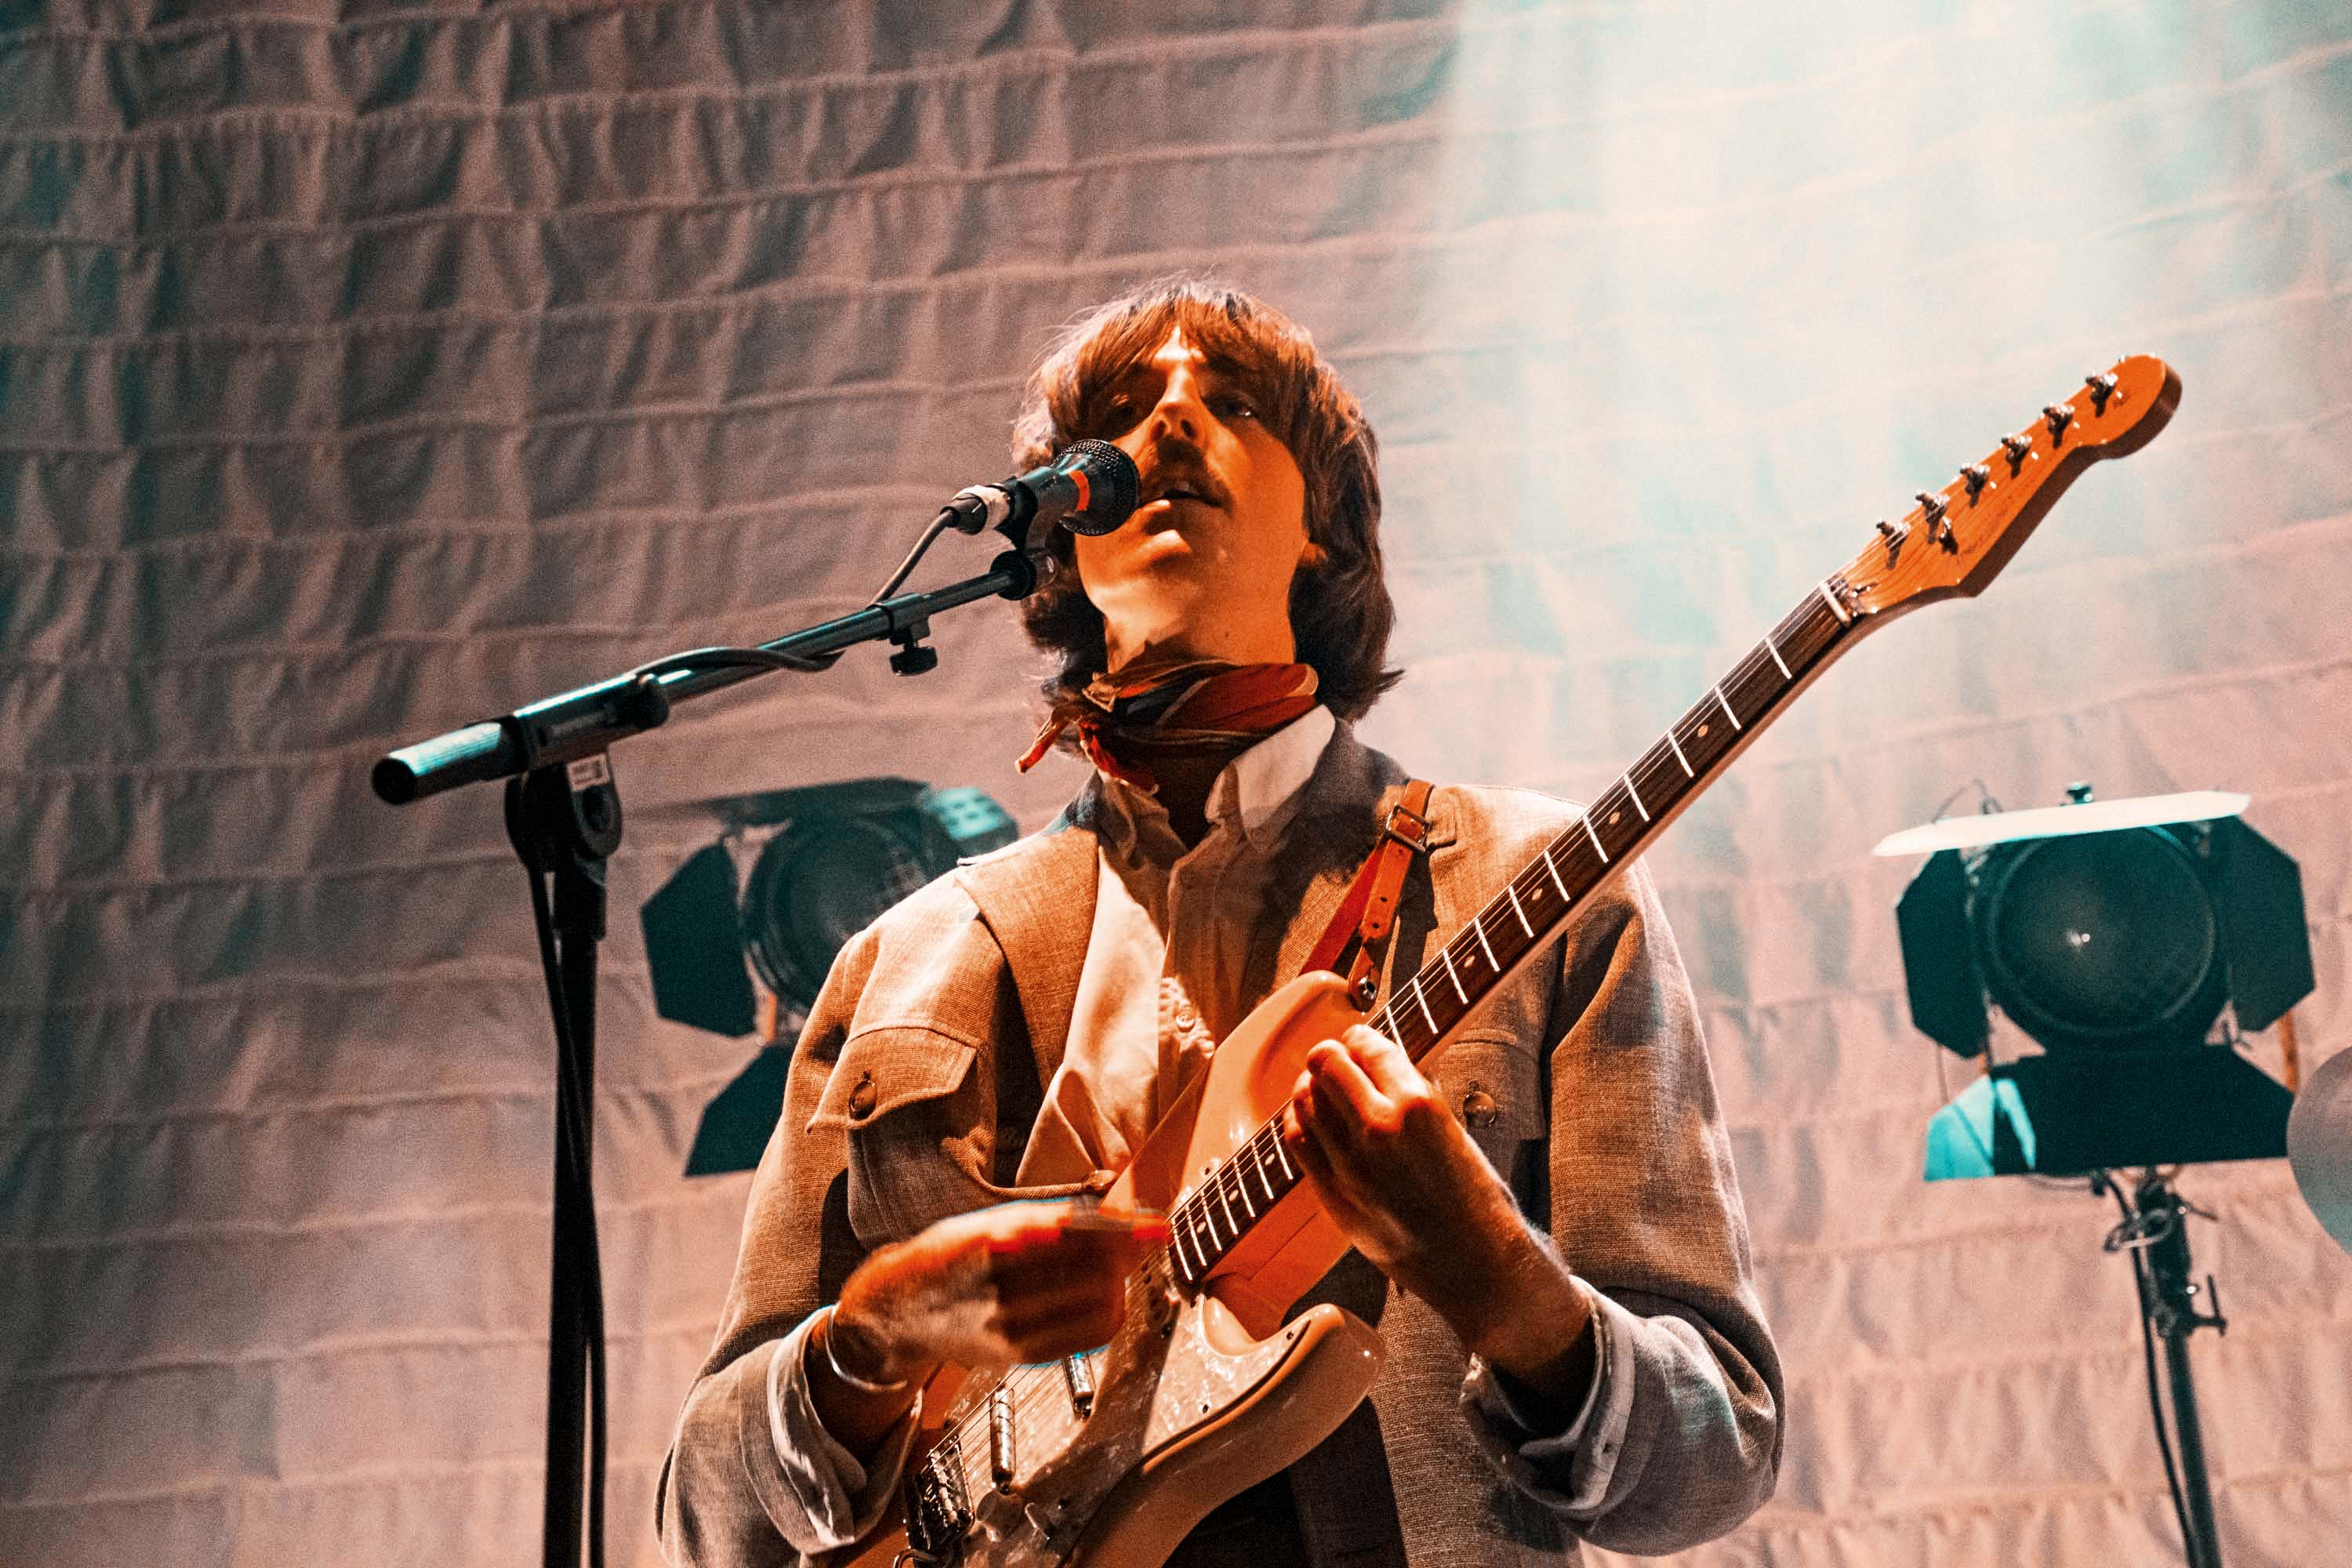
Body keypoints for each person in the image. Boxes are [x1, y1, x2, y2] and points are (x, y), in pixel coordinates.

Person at [657, 280, 1784, 1566]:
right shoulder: (903, 958)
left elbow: (1717, 1458)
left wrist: (1504, 1289)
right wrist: (872, 1342)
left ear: (1324, 530)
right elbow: (705, 1517)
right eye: (1126, 411)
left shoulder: (1544, 891)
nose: (1173, 422)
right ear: (1061, 538)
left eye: (1232, 403)